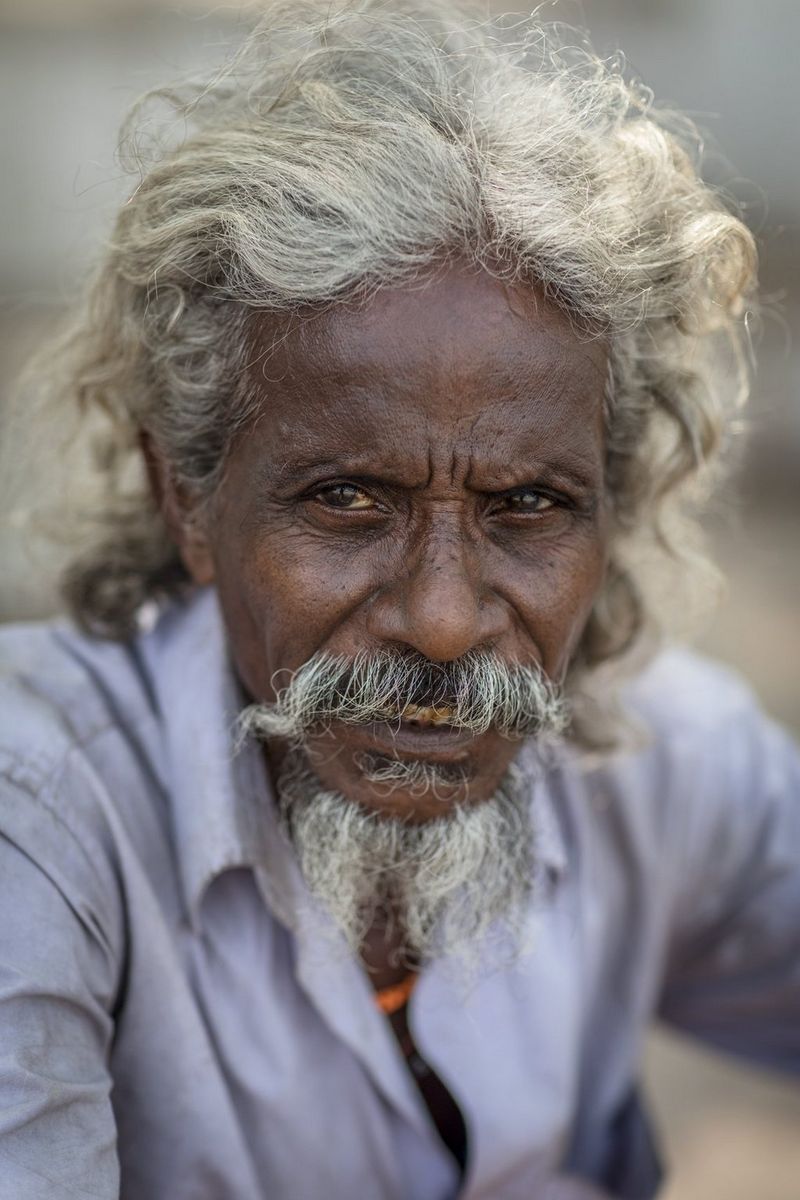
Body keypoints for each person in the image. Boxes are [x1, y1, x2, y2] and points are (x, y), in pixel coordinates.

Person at [0, 3, 797, 1197]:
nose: (439, 621)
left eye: (527, 506)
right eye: (345, 500)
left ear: (609, 506)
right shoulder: (42, 819)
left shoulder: (656, 763)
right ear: (188, 499)